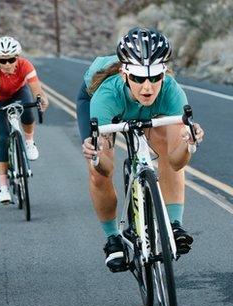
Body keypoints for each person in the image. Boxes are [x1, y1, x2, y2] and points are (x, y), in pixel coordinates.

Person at [77, 27, 205, 271]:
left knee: (169, 147)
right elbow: (105, 168)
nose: (147, 87)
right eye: (138, 78)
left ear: (164, 73)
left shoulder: (171, 91)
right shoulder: (106, 94)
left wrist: (189, 144)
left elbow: (177, 161)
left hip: (151, 110)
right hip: (102, 101)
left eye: (155, 77)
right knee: (97, 172)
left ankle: (174, 225)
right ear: (125, 74)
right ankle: (113, 237)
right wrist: (95, 156)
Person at [0, 36, 49, 204]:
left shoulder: (26, 65)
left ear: (17, 58)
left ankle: (29, 142)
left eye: (11, 60)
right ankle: (3, 187)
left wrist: (41, 100)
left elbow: (36, 90)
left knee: (28, 108)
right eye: (2, 60)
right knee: (3, 139)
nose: (7, 64)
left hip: (19, 93)